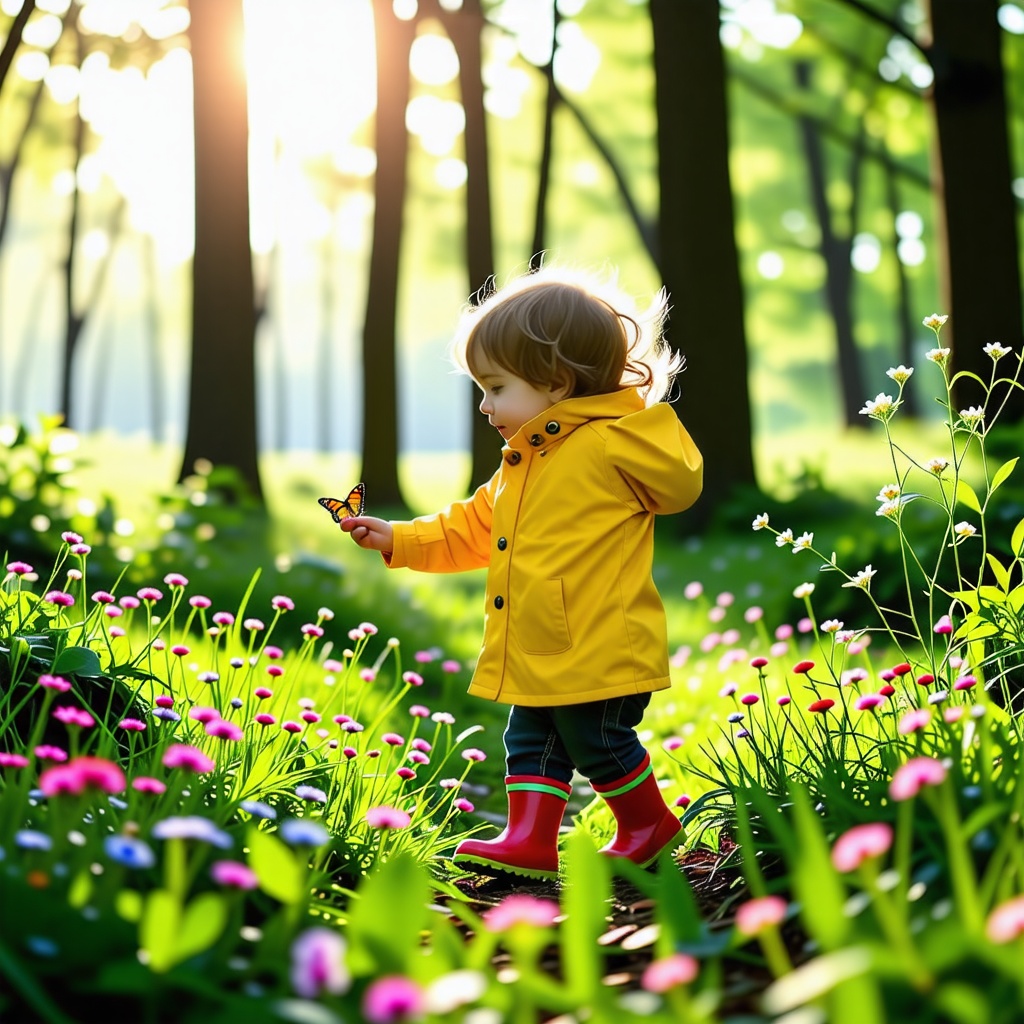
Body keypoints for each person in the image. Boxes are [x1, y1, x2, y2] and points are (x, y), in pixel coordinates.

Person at [341, 266, 703, 879]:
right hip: (541, 642)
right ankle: (529, 839)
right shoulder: (524, 463)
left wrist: (634, 424)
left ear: (556, 383)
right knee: (530, 740)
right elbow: (472, 527)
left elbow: (677, 483)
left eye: (496, 387)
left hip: (600, 642)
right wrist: (400, 538)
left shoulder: (613, 444)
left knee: (596, 740)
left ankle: (650, 826)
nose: (485, 407)